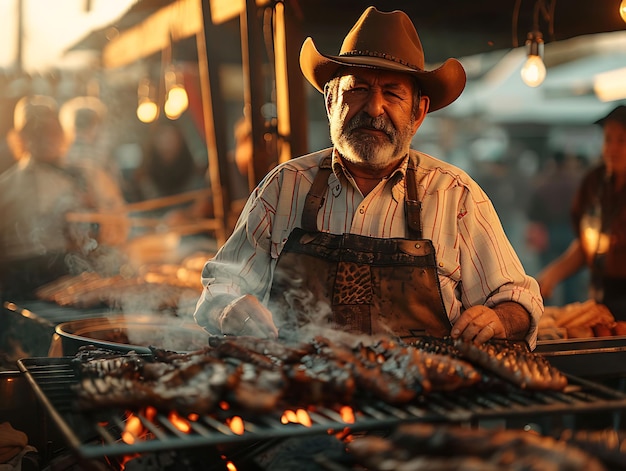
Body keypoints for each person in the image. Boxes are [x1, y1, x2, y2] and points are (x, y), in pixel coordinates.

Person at [193, 6, 543, 349]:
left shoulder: (456, 195)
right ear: (331, 103)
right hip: (301, 396)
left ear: (418, 112)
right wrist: (229, 306)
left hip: (423, 399)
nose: (374, 108)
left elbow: (517, 298)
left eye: (392, 93)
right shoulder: (284, 187)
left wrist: (500, 318)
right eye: (357, 89)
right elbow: (221, 283)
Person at [537, 105, 626, 319]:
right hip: (601, 295)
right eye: (607, 139)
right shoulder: (594, 183)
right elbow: (586, 245)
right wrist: (552, 274)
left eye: (622, 140)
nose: (611, 148)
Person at [0, 101, 92, 300]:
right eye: (37, 132)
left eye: (51, 131)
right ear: (22, 138)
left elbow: (90, 235)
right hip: (16, 280)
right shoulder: (5, 186)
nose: (45, 139)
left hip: (64, 275)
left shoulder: (77, 178)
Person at [526, 151, 588, 305]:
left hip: (549, 233)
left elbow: (532, 212)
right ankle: (572, 311)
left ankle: (545, 311)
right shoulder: (577, 183)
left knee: (547, 276)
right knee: (571, 276)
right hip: (572, 232)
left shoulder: (543, 184)